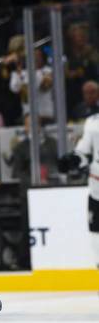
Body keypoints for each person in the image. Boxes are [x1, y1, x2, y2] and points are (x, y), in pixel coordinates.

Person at [58, 112, 99, 268]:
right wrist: (73, 160)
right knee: (96, 233)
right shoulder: (93, 122)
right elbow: (83, 150)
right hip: (96, 190)